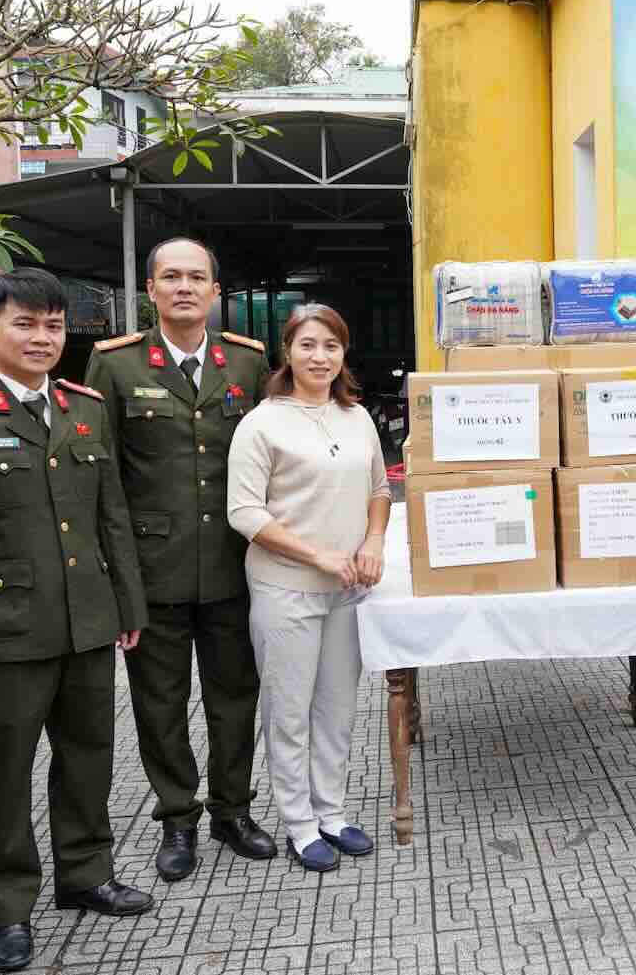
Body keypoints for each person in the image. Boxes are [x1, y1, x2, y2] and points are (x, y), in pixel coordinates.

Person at [0, 268, 153, 972]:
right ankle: (6, 904)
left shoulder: (85, 407)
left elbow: (111, 516)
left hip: (86, 622)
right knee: (3, 772)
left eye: (53, 325)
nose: (43, 337)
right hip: (4, 631)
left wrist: (127, 606)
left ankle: (86, 873)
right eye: (25, 324)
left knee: (88, 757)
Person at [85, 237, 275, 881]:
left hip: (233, 565)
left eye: (197, 277)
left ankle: (233, 810)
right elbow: (102, 476)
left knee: (235, 696)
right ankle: (177, 818)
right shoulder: (114, 364)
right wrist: (115, 578)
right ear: (151, 290)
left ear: (216, 291)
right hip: (152, 569)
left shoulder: (247, 361)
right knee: (159, 704)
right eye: (171, 277)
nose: (185, 287)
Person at [227, 303, 389, 872]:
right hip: (286, 588)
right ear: (288, 352)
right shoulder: (262, 423)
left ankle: (332, 813)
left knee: (337, 708)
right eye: (308, 345)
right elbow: (244, 512)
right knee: (289, 711)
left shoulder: (357, 417)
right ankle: (299, 823)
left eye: (331, 346)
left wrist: (374, 541)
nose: (320, 357)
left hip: (348, 590)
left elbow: (380, 490)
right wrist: (316, 554)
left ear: (343, 354)